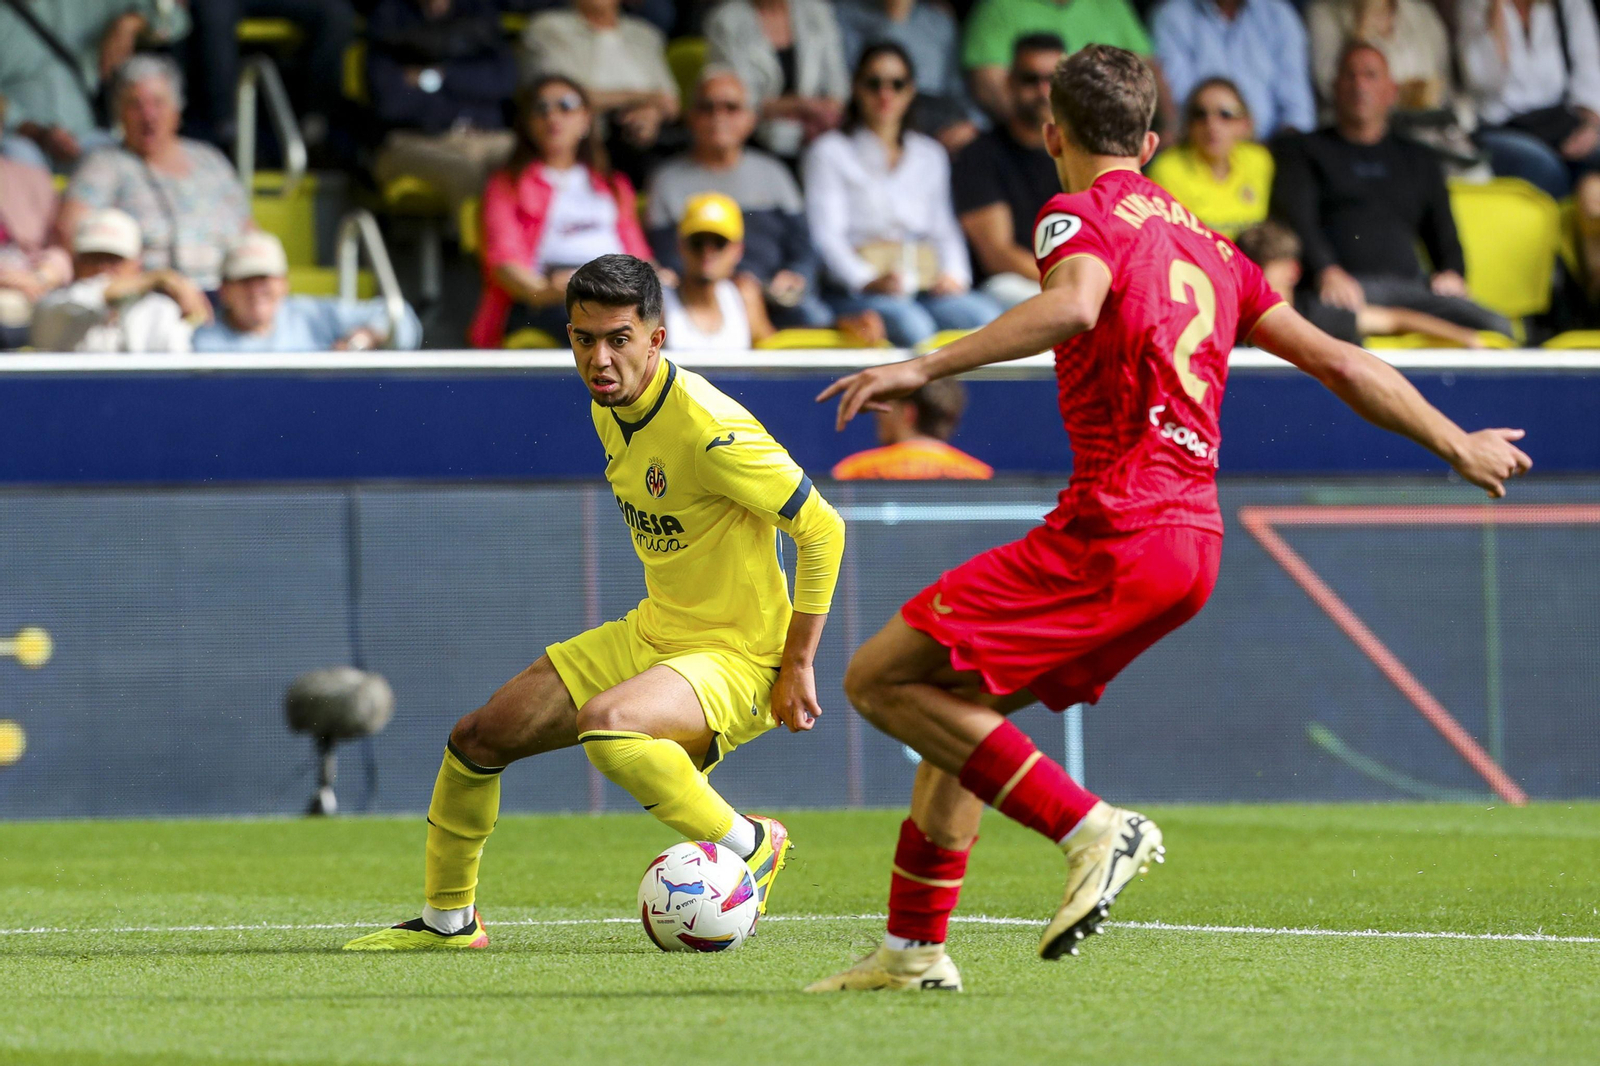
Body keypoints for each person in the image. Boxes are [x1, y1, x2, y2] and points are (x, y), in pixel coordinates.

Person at [806, 44, 1530, 994]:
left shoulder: (1074, 212)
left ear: (1053, 133)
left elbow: (1073, 305)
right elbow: (1344, 361)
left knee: (877, 677)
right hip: (1192, 542)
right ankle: (913, 950)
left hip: (1120, 523)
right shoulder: (1214, 247)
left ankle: (1090, 828)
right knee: (960, 710)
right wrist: (1455, 442)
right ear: (1149, 142)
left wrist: (922, 364)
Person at [344, 254, 846, 951]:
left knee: (608, 724)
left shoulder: (709, 428)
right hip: (658, 633)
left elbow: (822, 528)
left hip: (740, 655)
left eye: (618, 338)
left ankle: (750, 843)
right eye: (583, 338)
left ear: (656, 339)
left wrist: (797, 664)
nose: (599, 358)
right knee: (477, 738)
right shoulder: (609, 406)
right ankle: (448, 923)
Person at [1270, 44, 1512, 336]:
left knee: (1498, 328)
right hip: (1342, 292)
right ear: (1334, 88)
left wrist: (1451, 273)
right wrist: (1326, 271)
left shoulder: (1419, 158)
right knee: (1319, 321)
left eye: (1370, 75)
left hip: (1414, 292)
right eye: (1350, 76)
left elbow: (1444, 232)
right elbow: (1299, 222)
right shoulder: (1302, 151)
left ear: (1391, 91)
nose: (1360, 85)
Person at [804, 43, 1000, 347]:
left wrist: (954, 276)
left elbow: (943, 228)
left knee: (984, 317)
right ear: (856, 88)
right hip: (856, 291)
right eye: (874, 83)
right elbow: (826, 237)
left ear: (910, 91)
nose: (886, 94)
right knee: (913, 326)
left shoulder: (929, 154)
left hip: (923, 284)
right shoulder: (829, 152)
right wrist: (866, 279)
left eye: (897, 84)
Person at [467, 78, 653, 349]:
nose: (552, 116)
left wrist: (659, 281)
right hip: (547, 300)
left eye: (566, 106)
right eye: (541, 108)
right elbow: (504, 264)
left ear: (586, 120)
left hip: (618, 292)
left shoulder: (614, 184)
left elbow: (639, 256)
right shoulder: (506, 184)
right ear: (529, 123)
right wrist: (546, 291)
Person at [646, 68, 831, 329]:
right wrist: (730, 286)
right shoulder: (667, 180)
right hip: (702, 299)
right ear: (691, 117)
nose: (718, 117)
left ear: (751, 118)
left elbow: (803, 244)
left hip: (775, 297)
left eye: (731, 108)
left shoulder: (774, 172)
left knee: (816, 318)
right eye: (707, 107)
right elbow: (668, 256)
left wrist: (796, 275)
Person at [58, 56, 253, 294]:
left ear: (177, 110)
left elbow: (249, 232)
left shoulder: (211, 161)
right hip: (150, 298)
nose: (148, 115)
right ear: (119, 114)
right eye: (135, 105)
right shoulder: (104, 165)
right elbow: (71, 235)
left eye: (158, 103)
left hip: (227, 298)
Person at [367, 0, 520, 217]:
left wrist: (435, 77)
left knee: (530, 161)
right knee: (464, 171)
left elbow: (503, 82)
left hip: (485, 136)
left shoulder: (479, 13)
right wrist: (469, 96)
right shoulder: (390, 17)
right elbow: (392, 103)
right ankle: (481, 251)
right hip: (412, 142)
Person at [0, 0, 188, 171]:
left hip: (85, 135)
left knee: (123, 160)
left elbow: (175, 19)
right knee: (18, 158)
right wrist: (34, 132)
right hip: (18, 139)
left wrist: (131, 23)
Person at [952, 33, 1068, 310]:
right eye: (1031, 79)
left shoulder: (1080, 152)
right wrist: (1069, 285)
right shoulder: (979, 154)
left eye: (1052, 80)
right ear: (1009, 83)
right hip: (1007, 286)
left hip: (1072, 283)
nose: (1043, 90)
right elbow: (997, 254)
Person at [1236, 221, 1488, 346]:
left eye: (1262, 269)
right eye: (1246, 268)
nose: (1252, 279)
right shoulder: (1228, 319)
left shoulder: (1319, 315)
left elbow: (1396, 319)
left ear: (1293, 271)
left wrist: (1468, 338)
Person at [1458, 0, 1600, 199]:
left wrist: (1590, 126)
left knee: (1593, 156)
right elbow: (1481, 79)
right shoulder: (1476, 6)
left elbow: (1589, 72)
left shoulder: (1568, 5)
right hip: (1500, 126)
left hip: (1555, 120)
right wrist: (1496, 19)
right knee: (1545, 169)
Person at [194, 233, 423, 352]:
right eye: (244, 280)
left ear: (284, 284)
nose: (256, 290)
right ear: (224, 291)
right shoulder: (200, 339)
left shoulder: (311, 314)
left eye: (264, 278)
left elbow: (402, 321)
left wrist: (361, 340)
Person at [521, 0, 680, 169]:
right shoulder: (549, 29)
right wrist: (644, 98)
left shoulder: (646, 35)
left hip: (651, 138)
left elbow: (672, 102)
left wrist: (651, 113)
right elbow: (563, 97)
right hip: (590, 137)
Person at [31, 207, 209, 353]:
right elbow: (91, 294)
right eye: (93, 258)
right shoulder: (52, 305)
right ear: (76, 263)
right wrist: (159, 277)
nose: (102, 267)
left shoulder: (161, 311)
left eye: (114, 259)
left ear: (136, 263)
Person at [704, 0, 850, 161]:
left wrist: (819, 110)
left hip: (817, 137)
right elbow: (735, 98)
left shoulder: (818, 12)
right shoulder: (726, 21)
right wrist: (802, 105)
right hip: (754, 140)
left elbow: (838, 89)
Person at [1150, 0, 1316, 139]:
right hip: (1198, 146)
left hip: (1273, 148)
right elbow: (1181, 106)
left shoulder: (1279, 15)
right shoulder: (1172, 16)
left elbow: (1298, 112)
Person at [962, 0, 1153, 120]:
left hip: (1105, 135)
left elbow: (1146, 74)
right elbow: (993, 91)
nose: (1045, 88)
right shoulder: (998, 6)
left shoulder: (1112, 4)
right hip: (1023, 143)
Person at [835, 0, 980, 149]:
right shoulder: (844, 13)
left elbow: (958, 88)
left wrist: (970, 123)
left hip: (934, 116)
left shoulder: (939, 21)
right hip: (872, 109)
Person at [1147, 78, 1274, 236]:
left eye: (1225, 115)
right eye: (1200, 114)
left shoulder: (1259, 161)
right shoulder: (1167, 169)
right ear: (1188, 124)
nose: (1212, 125)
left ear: (1245, 124)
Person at [661, 193, 775, 350]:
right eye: (697, 242)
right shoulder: (659, 305)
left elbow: (772, 360)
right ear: (680, 246)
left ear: (737, 250)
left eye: (719, 243)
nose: (708, 252)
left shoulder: (745, 298)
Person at [1306, 0, 1456, 117]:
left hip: (1423, 130)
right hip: (1357, 134)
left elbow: (1442, 84)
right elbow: (1329, 85)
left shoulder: (1423, 14)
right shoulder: (1324, 13)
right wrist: (1360, 31)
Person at [0, 116, 72, 345]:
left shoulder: (31, 178)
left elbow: (62, 249)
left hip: (38, 289)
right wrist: (8, 279)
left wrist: (41, 277)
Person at [831, 379, 993, 480]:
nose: (878, 415)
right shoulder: (980, 475)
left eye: (887, 406)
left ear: (908, 412)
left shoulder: (853, 471)